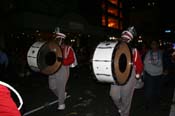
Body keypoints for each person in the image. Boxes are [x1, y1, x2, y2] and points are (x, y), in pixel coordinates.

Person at [109, 26, 143, 116]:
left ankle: (125, 114)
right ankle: (121, 108)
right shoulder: (115, 48)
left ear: (129, 40)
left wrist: (138, 74)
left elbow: (139, 64)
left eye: (126, 39)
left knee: (126, 98)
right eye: (123, 38)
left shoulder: (134, 51)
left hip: (130, 75)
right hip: (116, 74)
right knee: (113, 95)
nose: (124, 40)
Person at [48, 27, 75, 110]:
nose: (57, 40)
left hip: (63, 69)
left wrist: (62, 61)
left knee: (61, 87)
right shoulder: (53, 48)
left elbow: (71, 59)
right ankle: (62, 95)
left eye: (58, 39)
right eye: (56, 39)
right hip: (53, 69)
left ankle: (61, 103)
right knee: (52, 86)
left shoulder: (68, 48)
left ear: (62, 39)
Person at [143, 40, 164, 110]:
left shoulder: (162, 53)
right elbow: (144, 63)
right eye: (152, 44)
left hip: (159, 75)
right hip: (150, 75)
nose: (153, 45)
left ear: (158, 45)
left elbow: (166, 61)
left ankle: (157, 103)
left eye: (155, 44)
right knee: (148, 91)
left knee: (158, 91)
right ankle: (147, 104)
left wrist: (167, 69)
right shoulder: (147, 53)